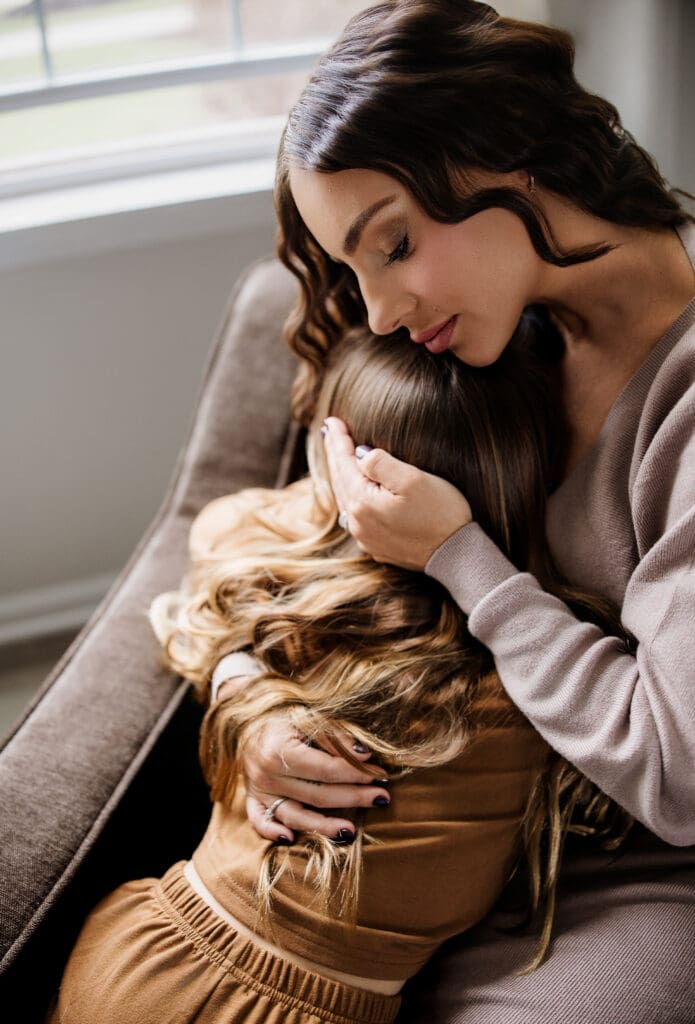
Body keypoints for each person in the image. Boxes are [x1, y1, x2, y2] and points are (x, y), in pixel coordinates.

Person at [226, 2, 695, 1021]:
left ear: (506, 155)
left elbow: (676, 773)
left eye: (391, 244)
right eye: (352, 269)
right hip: (448, 829)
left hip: (632, 880)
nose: (380, 312)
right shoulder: (495, 334)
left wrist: (458, 556)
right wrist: (248, 708)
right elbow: (249, 539)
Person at [47, 322, 630, 1024]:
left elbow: (219, 523)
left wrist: (240, 672)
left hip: (145, 951)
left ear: (342, 477)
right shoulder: (546, 671)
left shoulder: (300, 597)